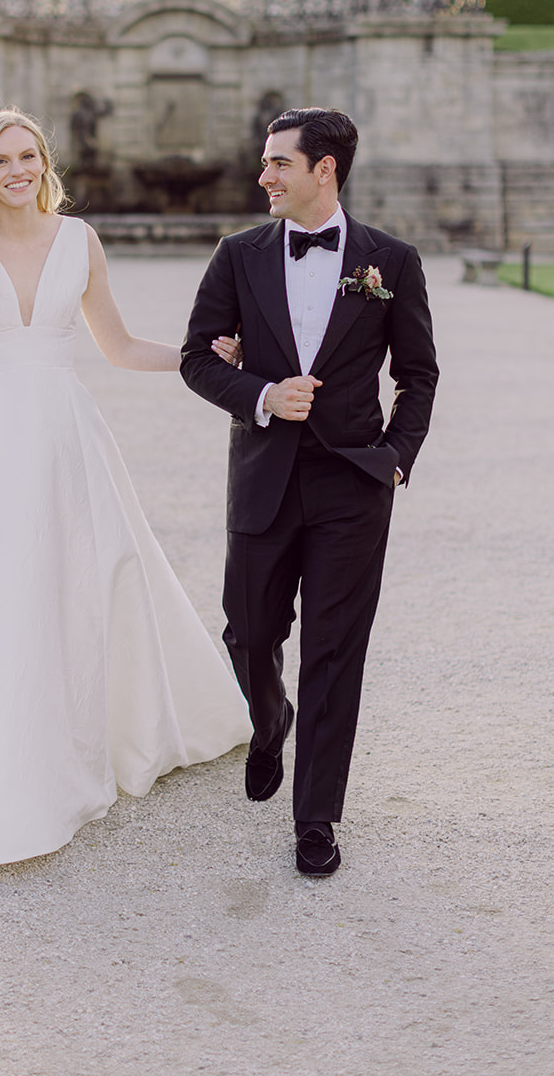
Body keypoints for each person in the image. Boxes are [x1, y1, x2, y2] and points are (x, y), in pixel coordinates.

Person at [0, 109, 250, 881]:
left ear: (44, 162)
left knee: (81, 582)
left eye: (28, 156)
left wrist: (200, 357)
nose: (17, 170)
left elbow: (115, 347)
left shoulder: (78, 241)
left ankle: (86, 730)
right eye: (1, 160)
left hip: (64, 441)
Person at [180, 107, 438, 876]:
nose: (263, 175)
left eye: (277, 164)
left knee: (334, 653)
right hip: (261, 477)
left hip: (353, 485)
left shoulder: (390, 260)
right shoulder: (237, 254)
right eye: (265, 163)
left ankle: (316, 819)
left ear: (323, 169)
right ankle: (268, 721)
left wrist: (395, 455)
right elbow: (198, 357)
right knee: (249, 635)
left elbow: (417, 373)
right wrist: (260, 394)